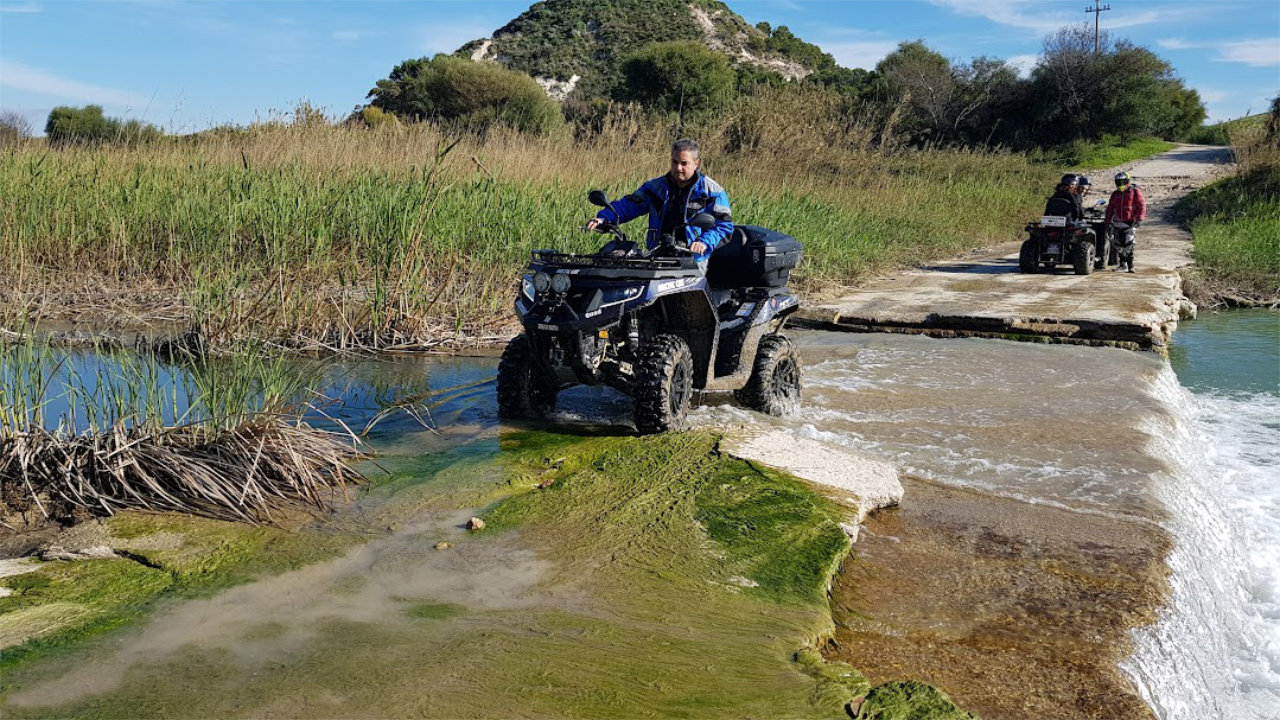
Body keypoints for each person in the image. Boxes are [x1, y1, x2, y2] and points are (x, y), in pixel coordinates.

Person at [586, 138, 733, 269]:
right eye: (674, 162)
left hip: (691, 260)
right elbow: (629, 205)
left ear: (696, 163)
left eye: (684, 163)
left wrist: (704, 242)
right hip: (656, 255)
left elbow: (724, 226)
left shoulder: (712, 192)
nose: (678, 168)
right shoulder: (655, 187)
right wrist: (605, 218)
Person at [1105, 171, 1147, 273]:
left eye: (1123, 182)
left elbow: (1142, 205)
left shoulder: (1134, 191)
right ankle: (1123, 265)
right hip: (1117, 222)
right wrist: (1107, 221)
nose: (1120, 184)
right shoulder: (1115, 194)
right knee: (1118, 245)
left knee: (1129, 244)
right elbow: (1110, 208)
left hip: (1130, 222)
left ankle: (1131, 265)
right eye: (1118, 182)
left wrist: (1139, 219)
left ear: (1127, 181)